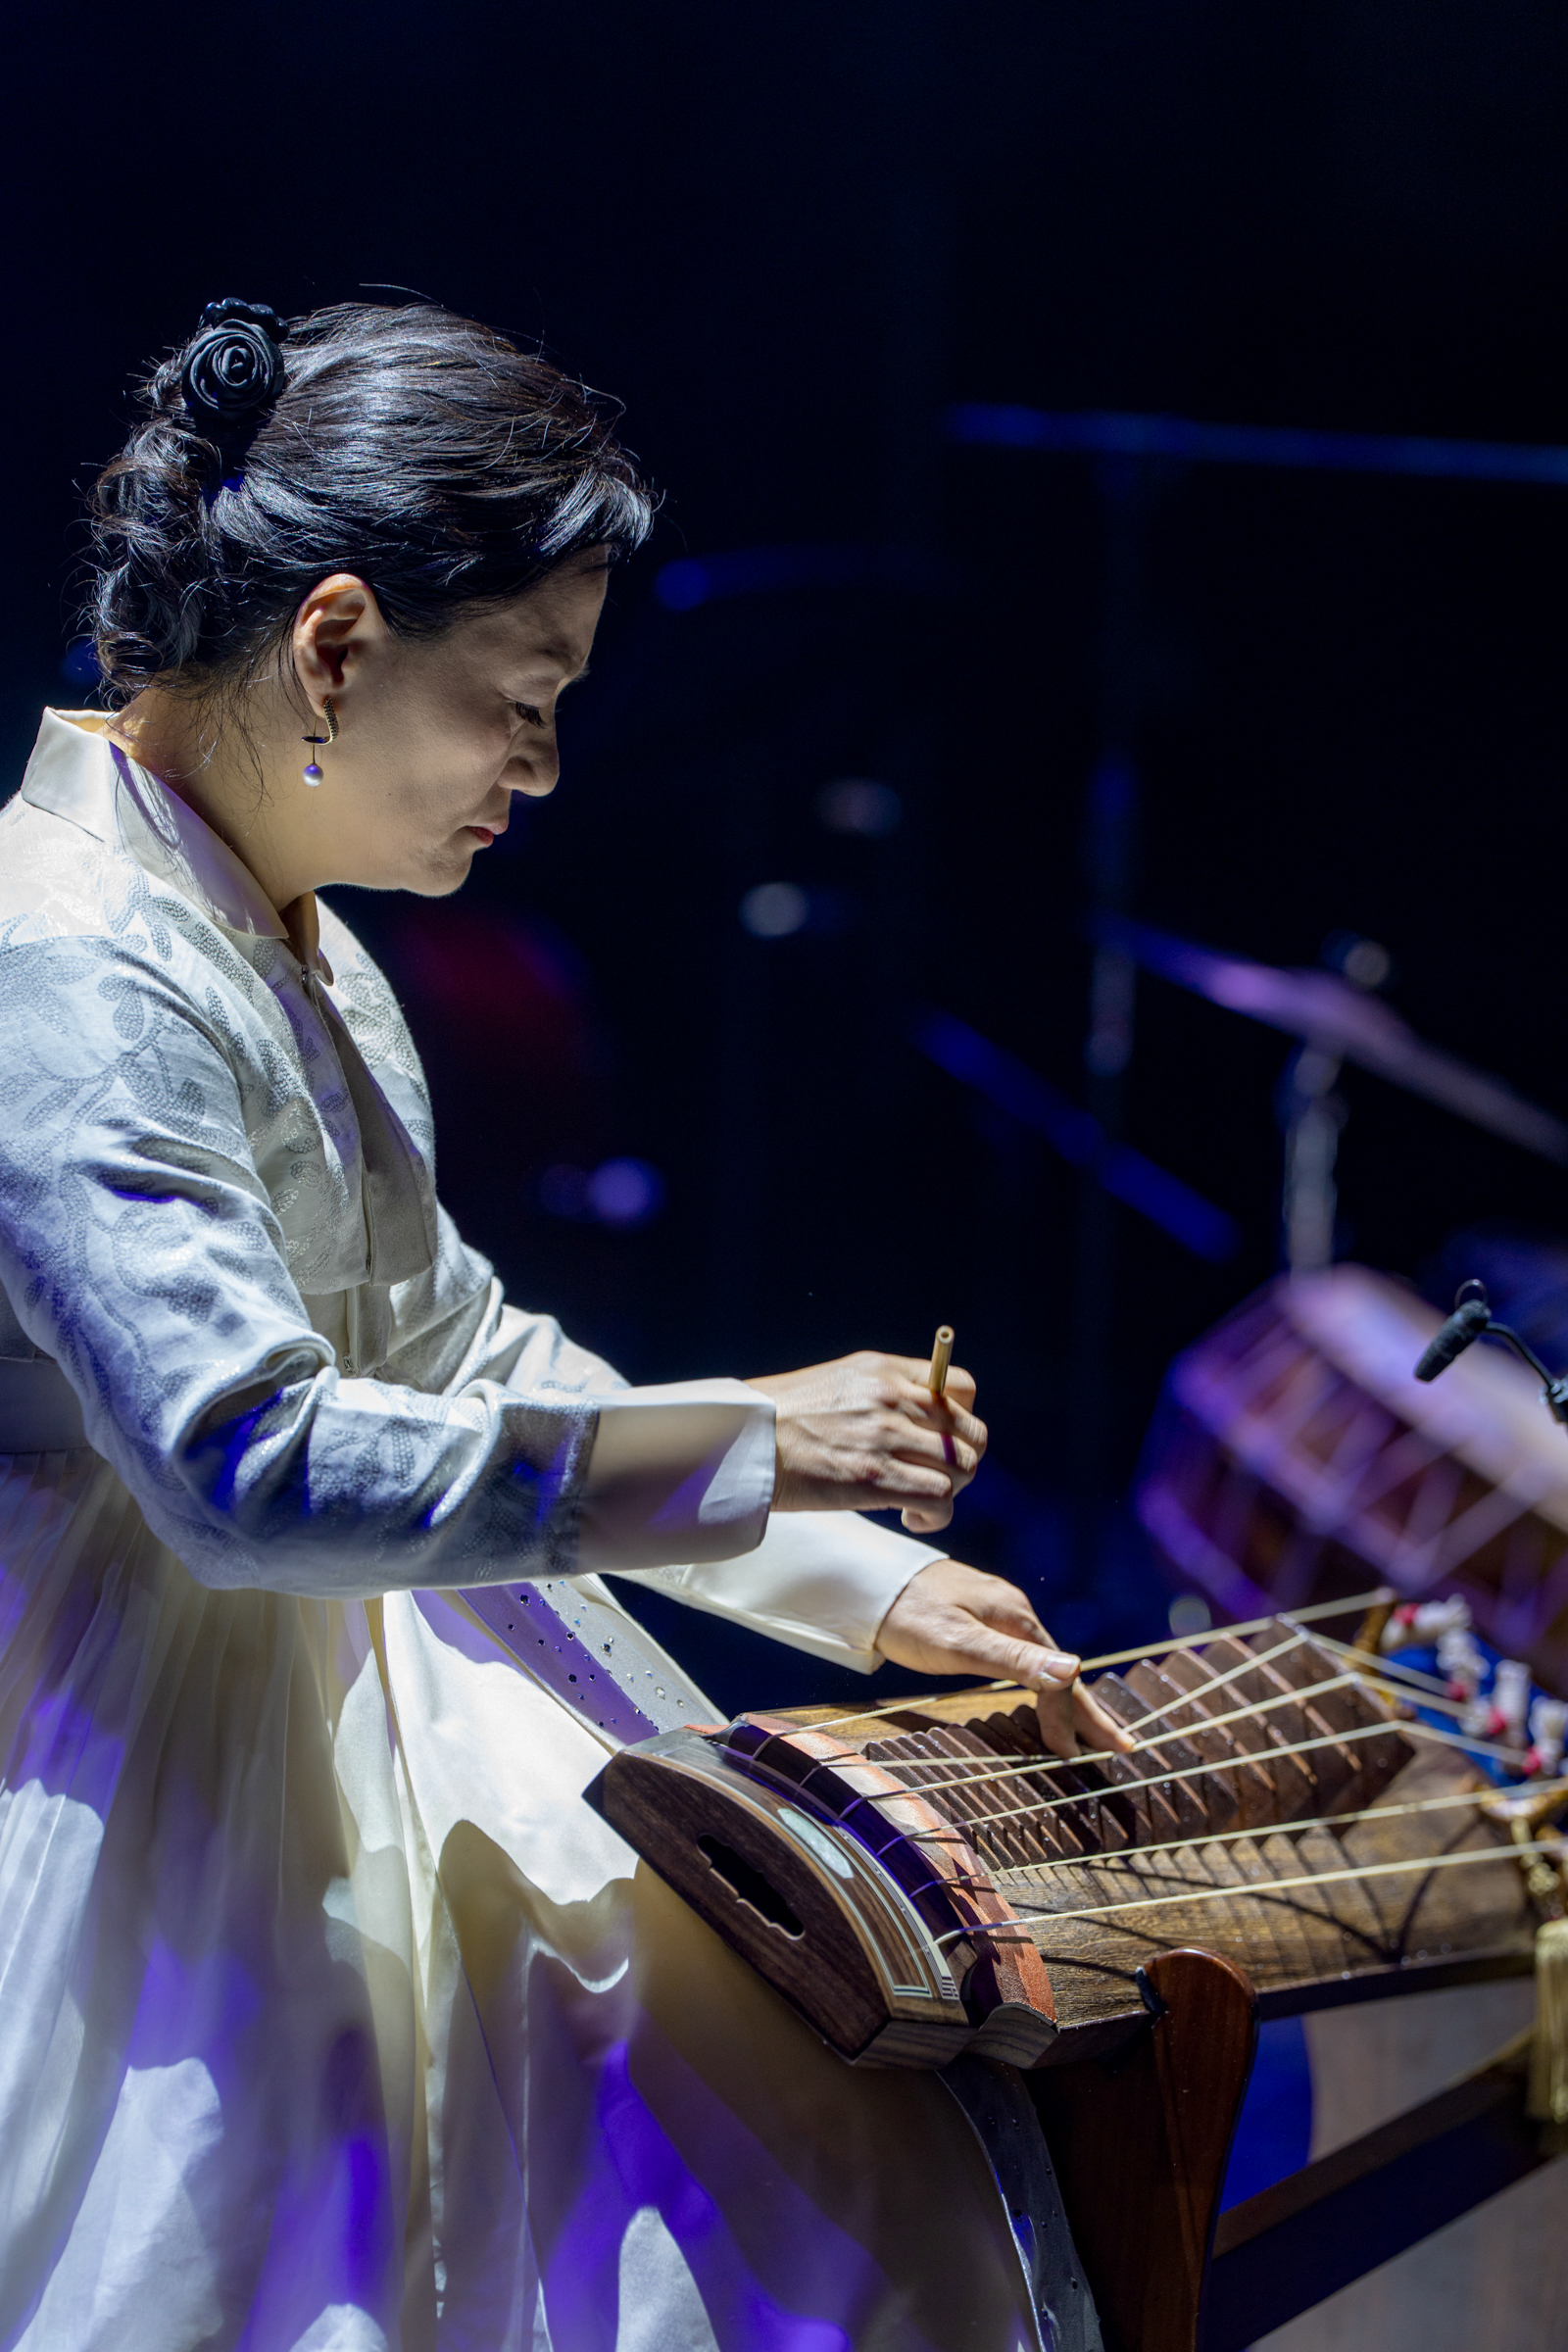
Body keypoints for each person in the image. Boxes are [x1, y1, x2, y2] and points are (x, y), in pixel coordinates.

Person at [0, 299, 1126, 2352]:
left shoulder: (295, 936)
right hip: (142, 1745)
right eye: (519, 699)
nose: (539, 765)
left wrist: (852, 1573)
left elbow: (450, 1349)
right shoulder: (67, 956)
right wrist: (757, 1444)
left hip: (347, 1677)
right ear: (335, 645)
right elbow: (246, 1472)